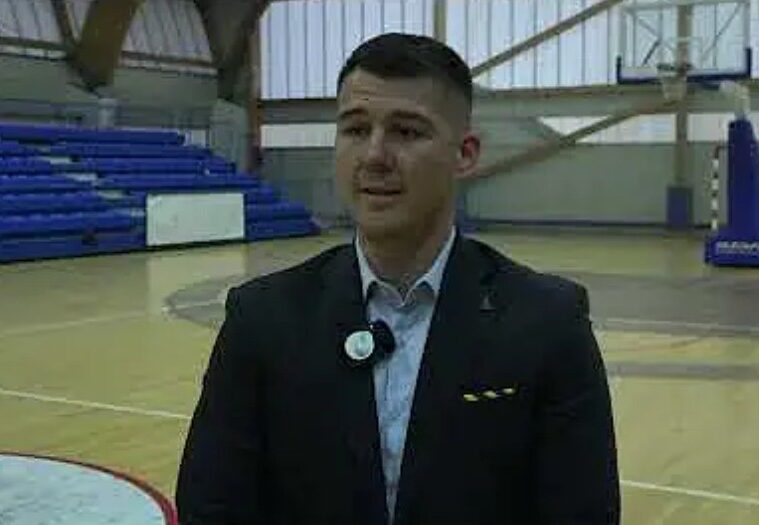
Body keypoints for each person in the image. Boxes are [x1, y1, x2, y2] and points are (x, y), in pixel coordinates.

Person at [176, 33, 619, 525]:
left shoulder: (549, 323)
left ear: (465, 153)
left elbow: (582, 514)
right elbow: (212, 507)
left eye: (406, 132)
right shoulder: (261, 319)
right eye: (355, 129)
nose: (374, 155)